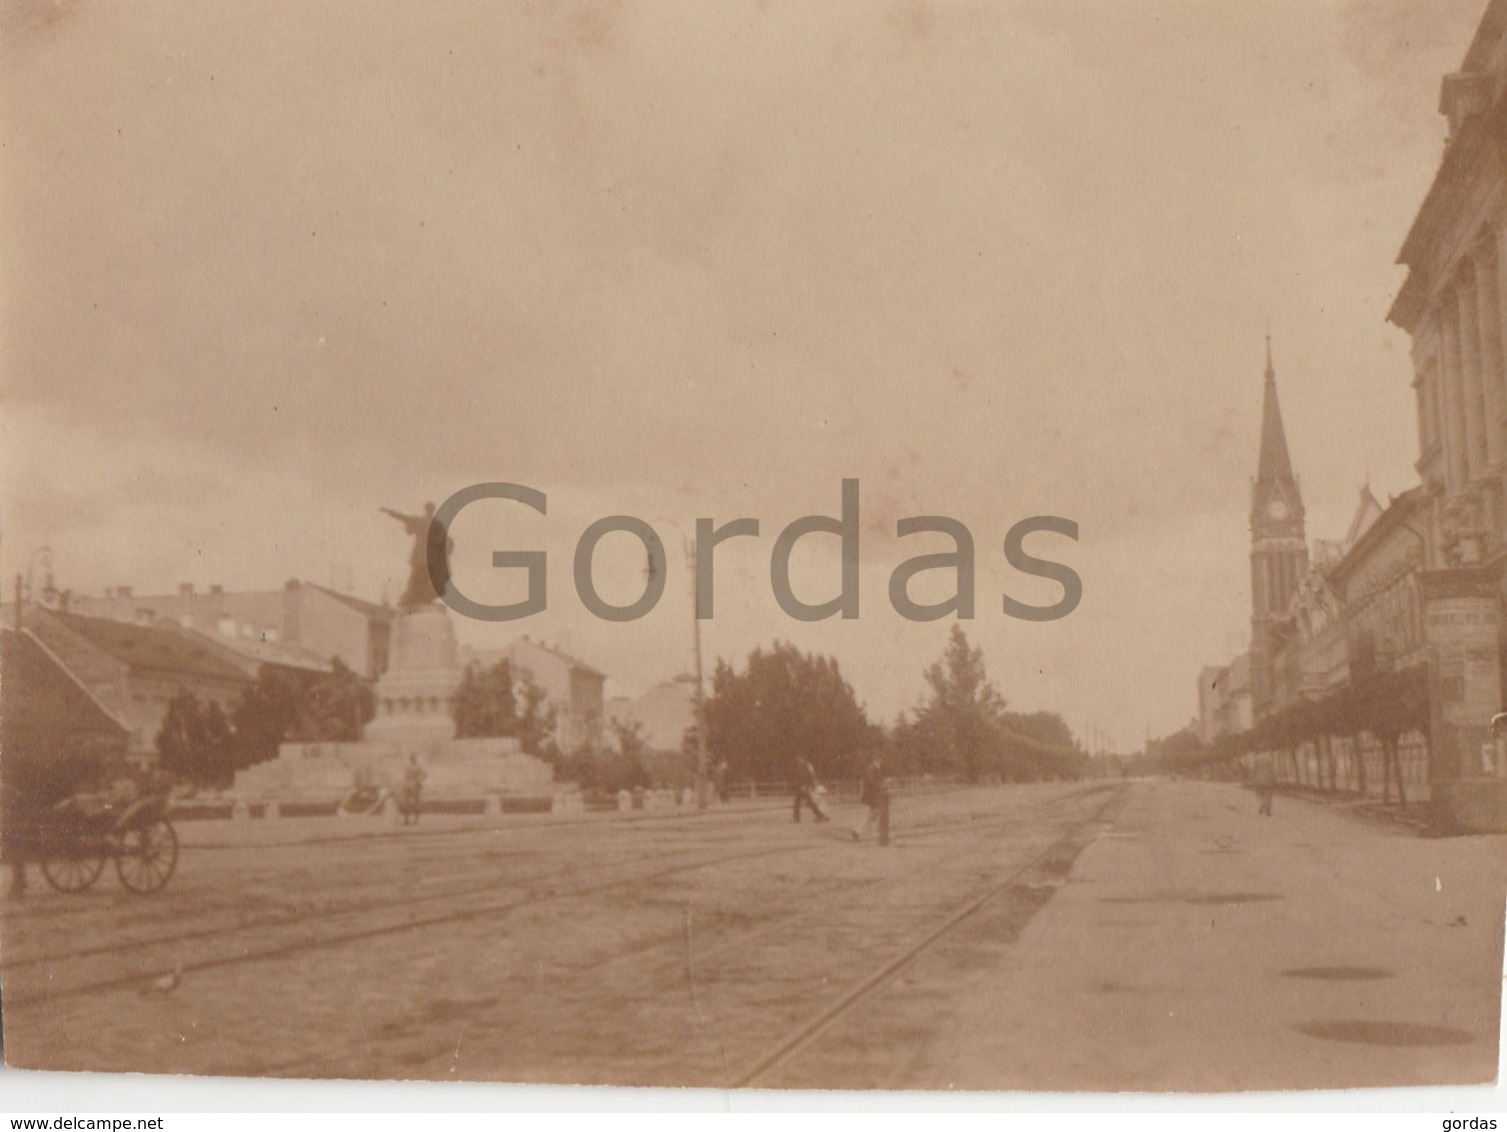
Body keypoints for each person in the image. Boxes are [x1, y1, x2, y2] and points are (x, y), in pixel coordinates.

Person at [851, 757, 891, 844]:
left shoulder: (874, 768)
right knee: (871, 814)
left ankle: (858, 831)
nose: (882, 761)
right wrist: (882, 784)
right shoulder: (872, 769)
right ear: (877, 760)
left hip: (872, 795)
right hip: (871, 795)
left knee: (873, 814)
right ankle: (858, 831)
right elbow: (871, 782)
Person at [792, 758, 828, 823]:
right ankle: (820, 815)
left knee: (799, 803)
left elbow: (808, 776)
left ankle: (797, 818)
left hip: (804, 787)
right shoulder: (804, 766)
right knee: (808, 803)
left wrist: (806, 785)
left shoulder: (805, 766)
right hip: (804, 786)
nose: (797, 760)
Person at [400, 753, 426, 825]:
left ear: (415, 758)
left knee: (416, 803)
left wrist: (418, 781)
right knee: (406, 802)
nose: (412, 759)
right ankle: (406, 819)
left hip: (414, 785)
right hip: (407, 785)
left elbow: (424, 775)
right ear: (410, 759)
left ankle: (415, 820)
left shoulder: (418, 767)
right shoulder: (407, 766)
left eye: (413, 758)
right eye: (411, 758)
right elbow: (404, 776)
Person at [1254, 751, 1275, 817]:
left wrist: (1253, 778)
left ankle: (1262, 804)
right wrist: (1274, 779)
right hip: (1268, 779)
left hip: (1259, 779)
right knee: (1268, 794)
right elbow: (1272, 770)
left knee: (1260, 793)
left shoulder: (1257, 759)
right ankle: (1268, 809)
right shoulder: (1270, 759)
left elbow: (1254, 770)